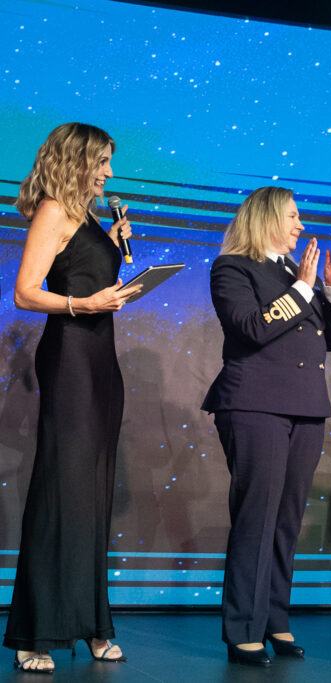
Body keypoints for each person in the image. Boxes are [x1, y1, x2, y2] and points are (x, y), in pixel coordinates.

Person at [5, 122, 140, 673]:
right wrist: (83, 305)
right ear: (76, 160)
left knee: (92, 496)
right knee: (62, 491)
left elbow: (89, 279)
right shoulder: (54, 210)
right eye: (102, 161)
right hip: (70, 359)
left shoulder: (88, 216)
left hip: (101, 361)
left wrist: (114, 242)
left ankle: (93, 624)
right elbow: (25, 292)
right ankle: (35, 632)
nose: (109, 171)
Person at [202, 186, 331, 666]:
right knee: (258, 515)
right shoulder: (232, 268)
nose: (300, 225)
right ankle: (242, 628)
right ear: (266, 218)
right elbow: (252, 327)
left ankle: (273, 618)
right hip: (255, 404)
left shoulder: (294, 273)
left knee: (287, 520)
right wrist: (303, 288)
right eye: (292, 216)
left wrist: (330, 287)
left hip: (306, 406)